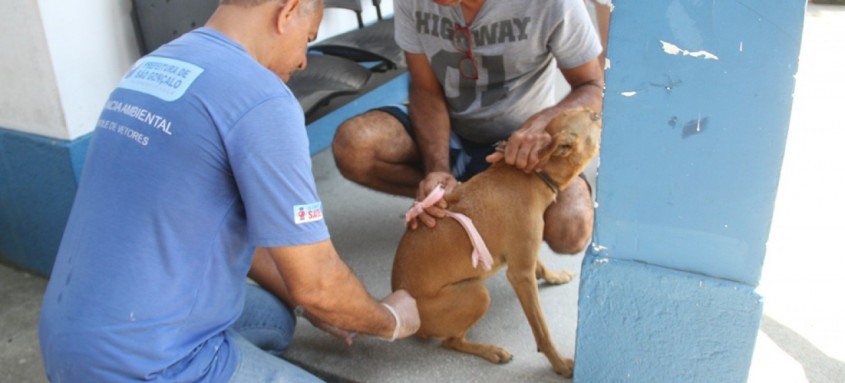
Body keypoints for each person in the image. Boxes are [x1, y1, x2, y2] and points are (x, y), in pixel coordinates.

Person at [38, 0, 419, 381]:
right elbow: (317, 284)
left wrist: (322, 307)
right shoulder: (263, 99)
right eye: (308, 38)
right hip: (150, 366)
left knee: (273, 318)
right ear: (289, 10)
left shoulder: (152, 66)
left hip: (67, 341)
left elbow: (227, 234)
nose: (304, 61)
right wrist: (390, 319)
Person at [332, 0, 605, 254]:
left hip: (523, 148)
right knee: (354, 146)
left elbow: (593, 85)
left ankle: (483, 202)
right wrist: (437, 168)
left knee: (572, 229)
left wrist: (545, 124)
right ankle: (466, 201)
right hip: (450, 133)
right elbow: (426, 89)